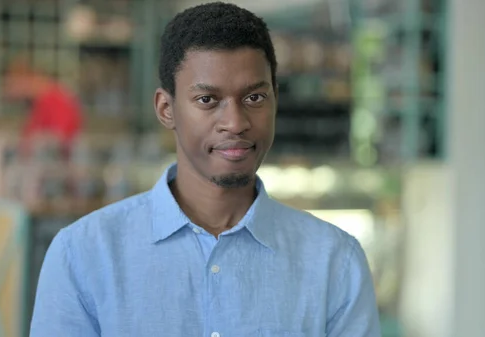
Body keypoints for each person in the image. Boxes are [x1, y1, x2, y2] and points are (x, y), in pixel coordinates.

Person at [30, 2, 381, 336]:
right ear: (166, 109)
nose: (235, 122)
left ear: (276, 98)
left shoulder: (335, 262)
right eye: (207, 100)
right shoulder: (84, 256)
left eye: (254, 98)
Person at [3, 55, 82, 154]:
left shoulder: (57, 100)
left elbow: (58, 140)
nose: (9, 92)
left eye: (11, 84)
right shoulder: (39, 103)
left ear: (27, 77)